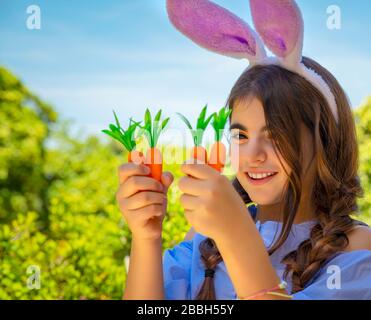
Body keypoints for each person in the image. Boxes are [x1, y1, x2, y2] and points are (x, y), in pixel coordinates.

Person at [118, 0, 371, 300]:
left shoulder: (356, 246)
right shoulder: (203, 241)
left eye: (276, 135)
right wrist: (147, 237)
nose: (253, 154)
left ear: (326, 142)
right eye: (240, 135)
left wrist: (236, 234)